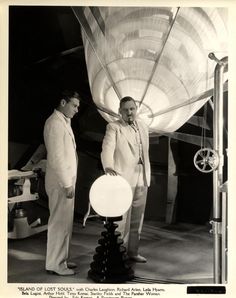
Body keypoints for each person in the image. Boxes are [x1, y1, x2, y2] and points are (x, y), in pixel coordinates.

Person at [101, 96, 151, 263]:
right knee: (121, 219)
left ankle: (132, 252)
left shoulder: (143, 126)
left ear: (136, 110)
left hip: (142, 176)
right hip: (123, 177)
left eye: (132, 109)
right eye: (126, 110)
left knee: (138, 217)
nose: (129, 112)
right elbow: (107, 148)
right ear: (120, 111)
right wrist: (108, 166)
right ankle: (117, 254)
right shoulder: (114, 127)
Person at [43, 90, 80, 275]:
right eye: (74, 105)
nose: (77, 109)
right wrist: (67, 184)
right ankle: (55, 264)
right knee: (59, 223)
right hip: (60, 182)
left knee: (65, 223)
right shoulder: (55, 124)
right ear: (63, 102)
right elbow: (57, 158)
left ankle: (62, 260)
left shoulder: (64, 122)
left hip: (65, 181)